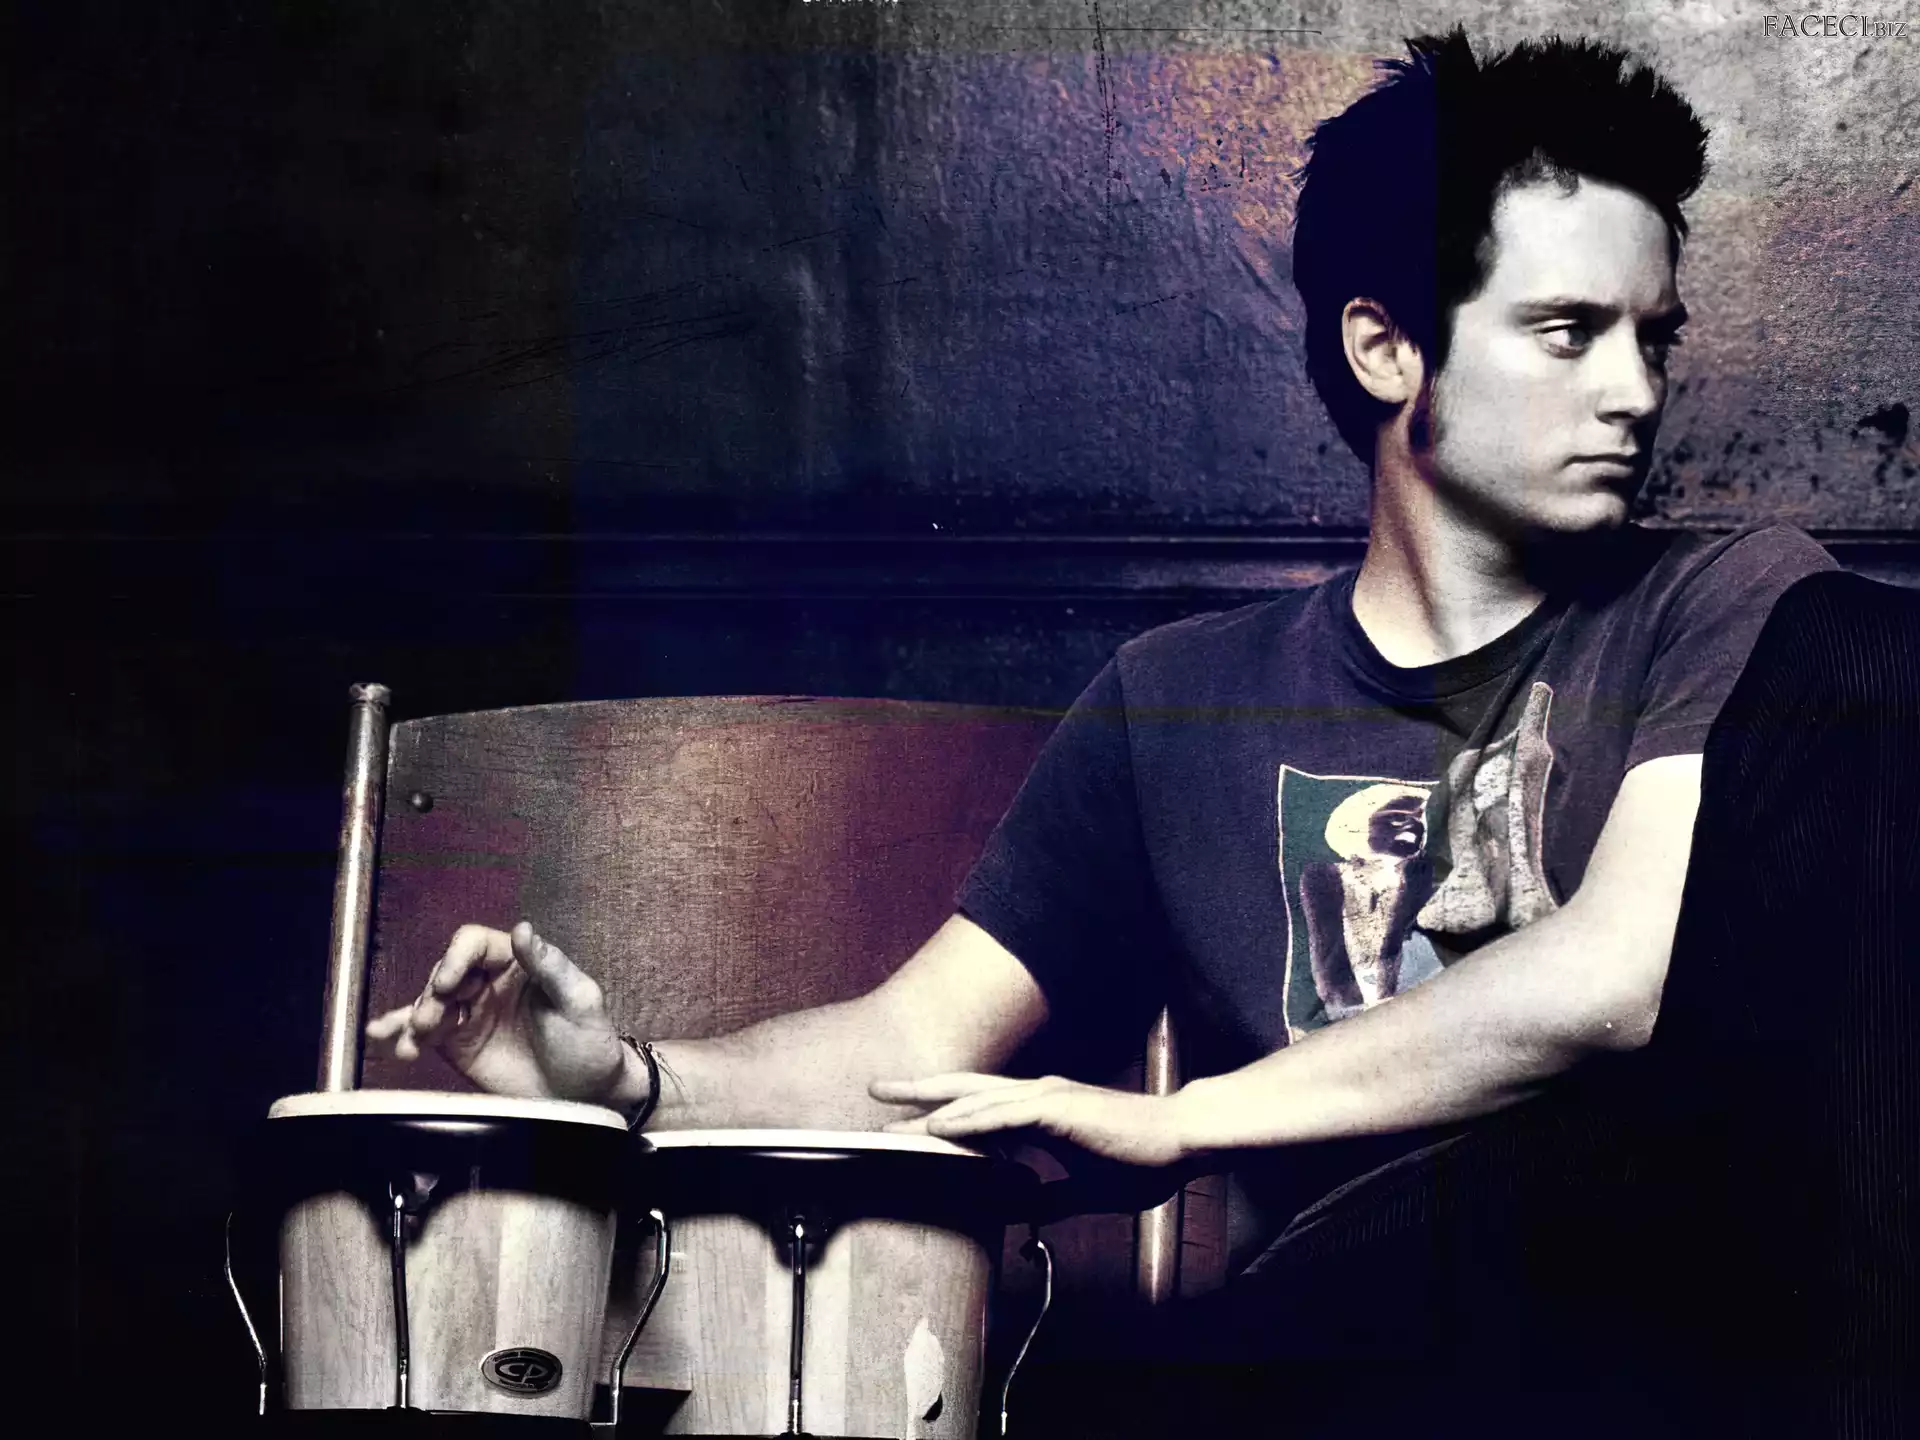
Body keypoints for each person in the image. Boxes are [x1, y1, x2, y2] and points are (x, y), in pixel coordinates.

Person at [368, 29, 1840, 1434]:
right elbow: (908, 1047)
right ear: (1388, 347)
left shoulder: (1739, 602)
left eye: (1655, 338)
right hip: (1347, 1358)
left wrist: (1190, 1122)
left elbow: (1618, 976)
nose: (1637, 393)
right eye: (1569, 334)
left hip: (1677, 1328)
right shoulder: (1176, 699)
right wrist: (628, 1080)